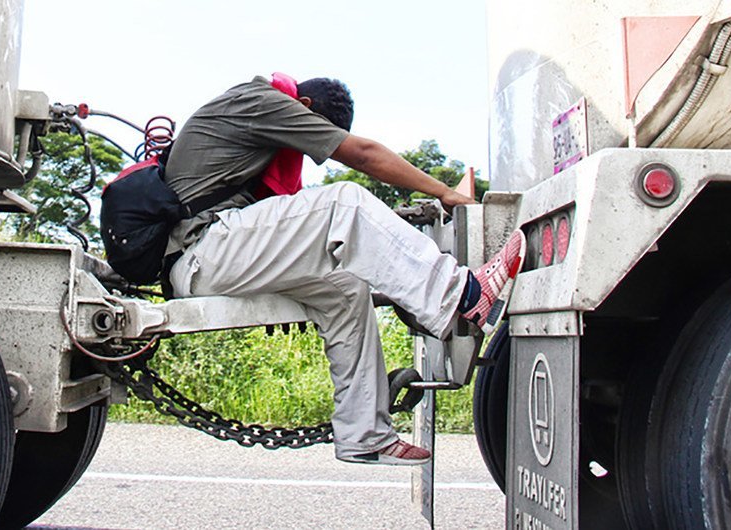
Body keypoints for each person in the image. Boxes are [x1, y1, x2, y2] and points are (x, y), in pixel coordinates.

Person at [163, 74, 525, 465]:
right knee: (344, 203)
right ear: (302, 107)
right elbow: (363, 155)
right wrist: (443, 191)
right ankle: (464, 295)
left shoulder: (258, 121)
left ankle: (364, 435)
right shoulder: (260, 100)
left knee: (346, 290)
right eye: (318, 130)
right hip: (202, 249)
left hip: (219, 251)